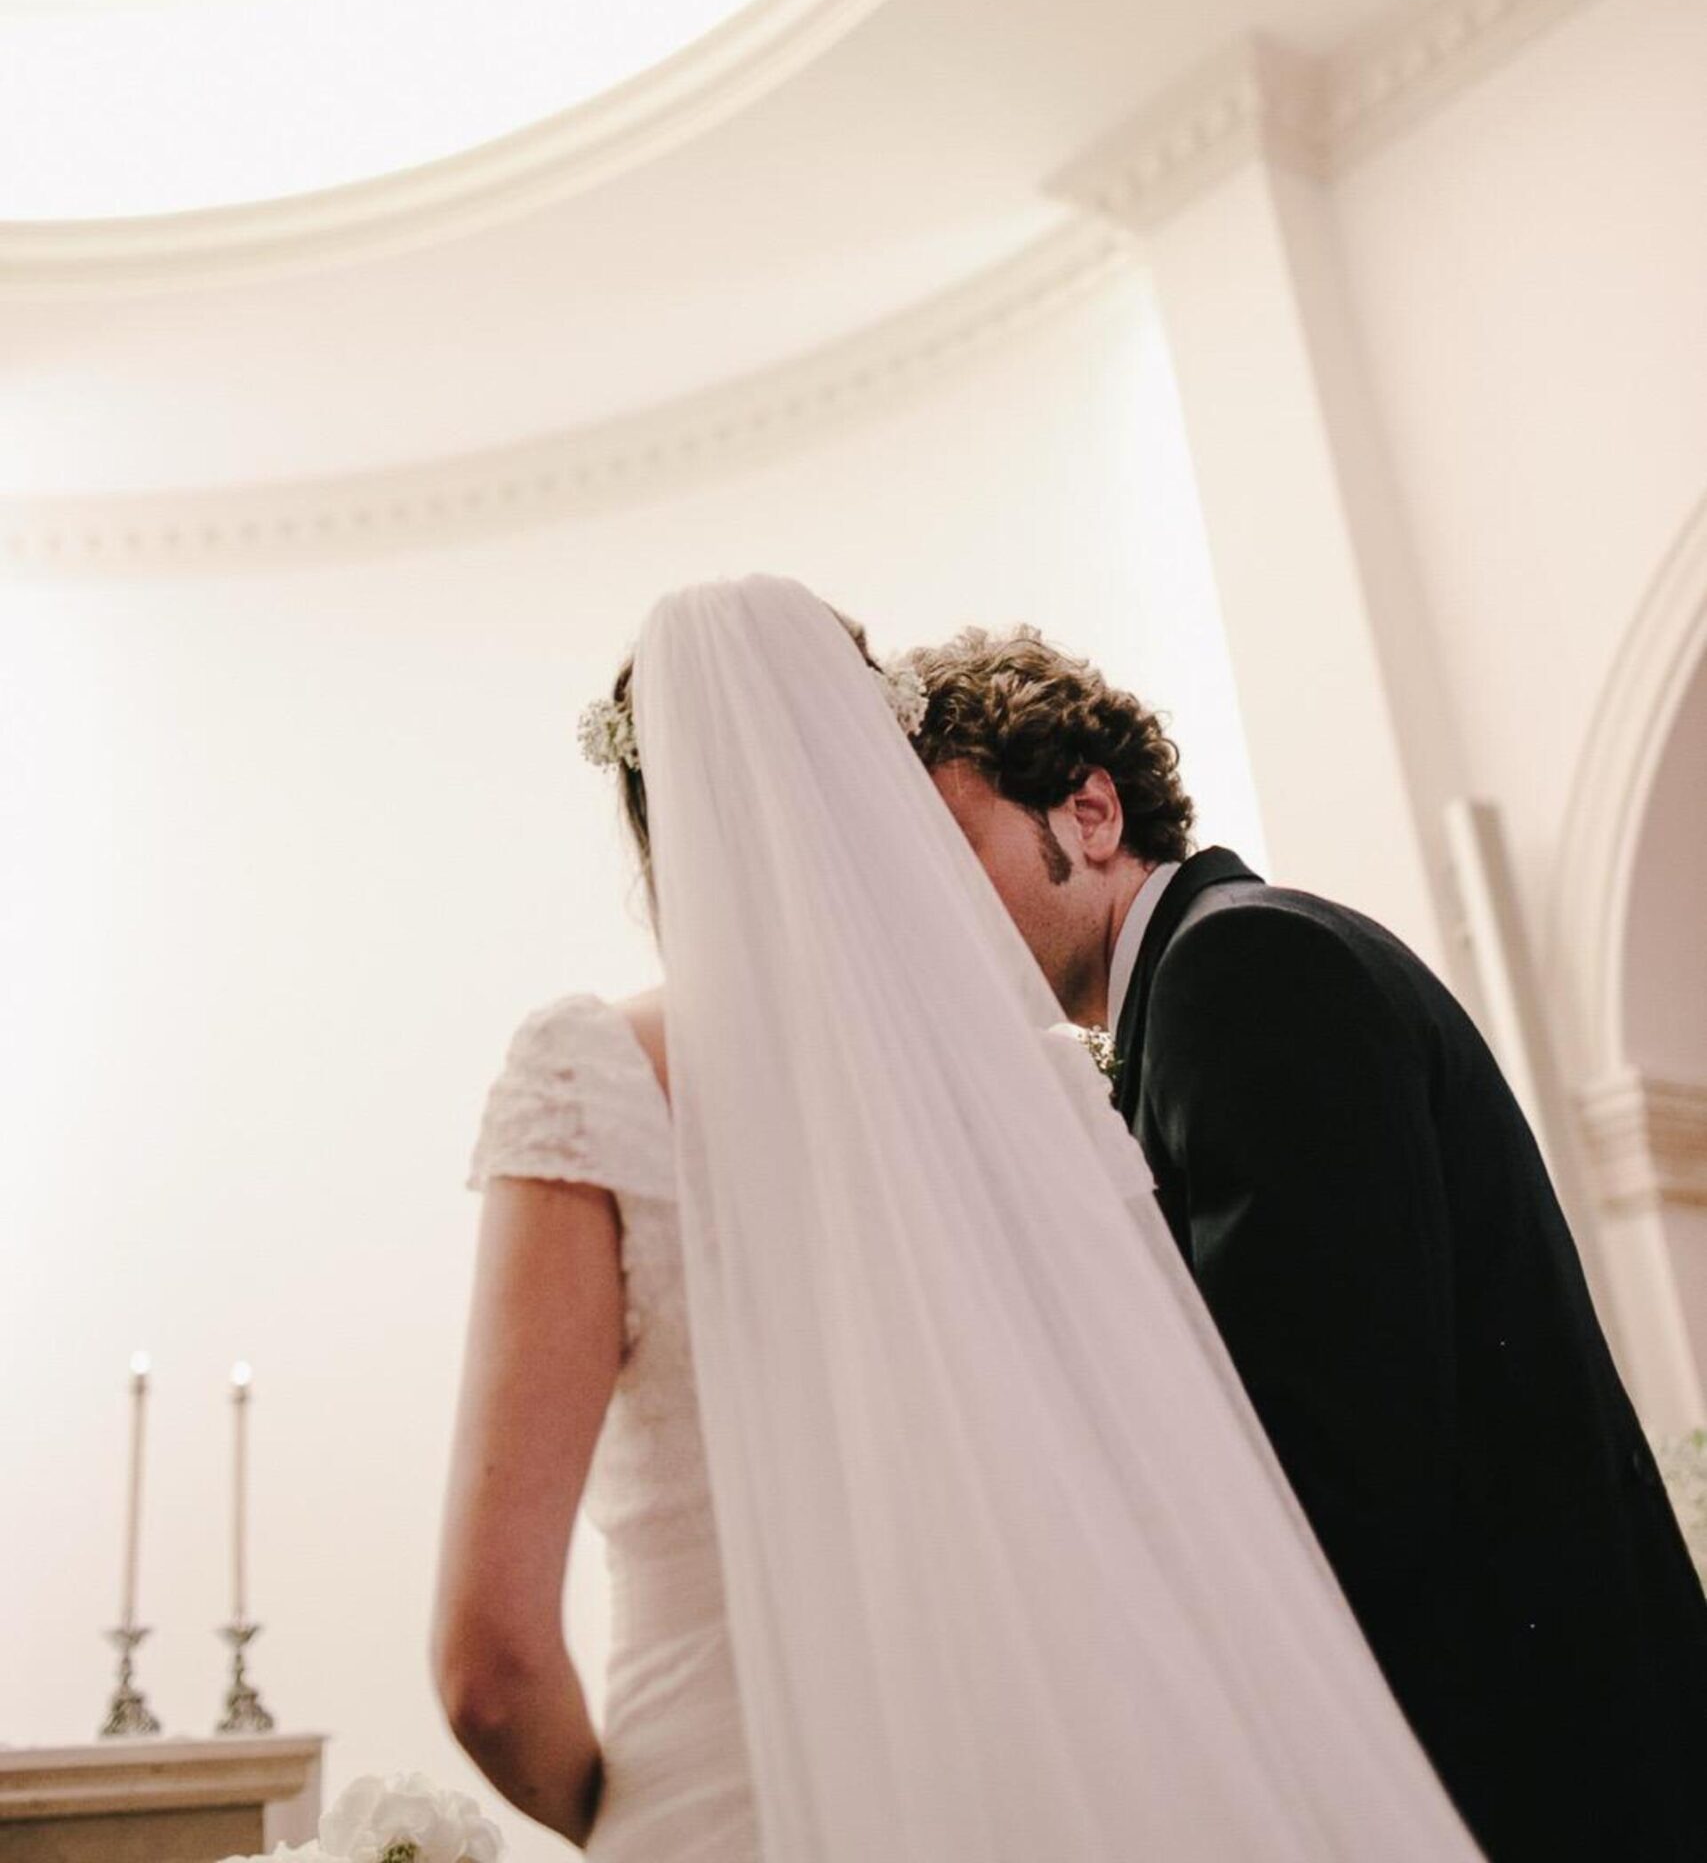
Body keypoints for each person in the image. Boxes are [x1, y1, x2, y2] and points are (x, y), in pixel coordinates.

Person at [433, 576, 1484, 1860]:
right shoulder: (1038, 1090)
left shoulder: (594, 1070)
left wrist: (651, 1812)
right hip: (1041, 1794)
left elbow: (490, 1674)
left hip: (715, 1805)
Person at [911, 620, 1707, 1863]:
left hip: (1523, 1758)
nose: (936, 914)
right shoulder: (1218, 976)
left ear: (1092, 811)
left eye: (956, 853)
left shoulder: (1241, 970)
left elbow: (1337, 1452)